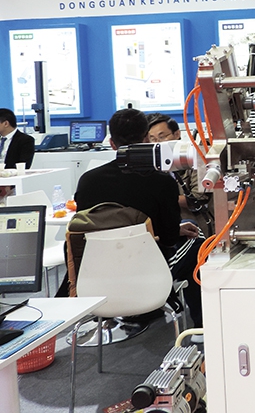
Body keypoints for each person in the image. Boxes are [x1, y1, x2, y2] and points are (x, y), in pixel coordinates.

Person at [71, 109, 202, 326]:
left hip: (95, 273)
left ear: (112, 144)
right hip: (148, 272)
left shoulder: (88, 180)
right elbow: (168, 238)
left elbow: (89, 226)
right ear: (146, 140)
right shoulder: (161, 182)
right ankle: (199, 327)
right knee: (200, 244)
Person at [146, 113, 208, 328]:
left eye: (162, 136)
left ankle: (199, 321)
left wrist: (163, 198)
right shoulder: (148, 165)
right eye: (152, 139)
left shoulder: (192, 158)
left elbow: (197, 198)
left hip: (191, 223)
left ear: (176, 135)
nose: (158, 143)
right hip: (159, 229)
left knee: (193, 251)